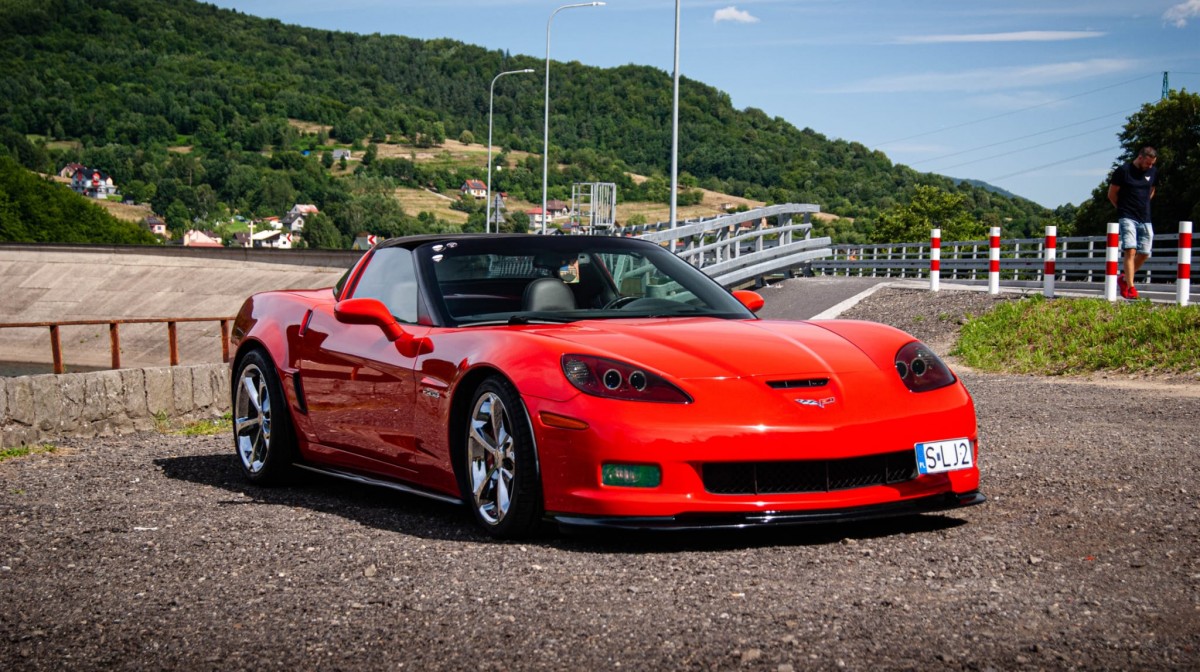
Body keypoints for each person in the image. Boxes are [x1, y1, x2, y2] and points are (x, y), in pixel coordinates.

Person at [1107, 146, 1158, 299]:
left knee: (1144, 253)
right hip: (1127, 216)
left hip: (1145, 217)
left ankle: (1123, 279)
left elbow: (1152, 190)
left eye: (1152, 164)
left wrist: (1143, 204)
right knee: (1130, 250)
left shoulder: (1153, 172)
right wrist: (1122, 209)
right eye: (1148, 163)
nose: (1150, 166)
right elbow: (1111, 194)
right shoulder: (1123, 171)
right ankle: (1131, 287)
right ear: (1140, 157)